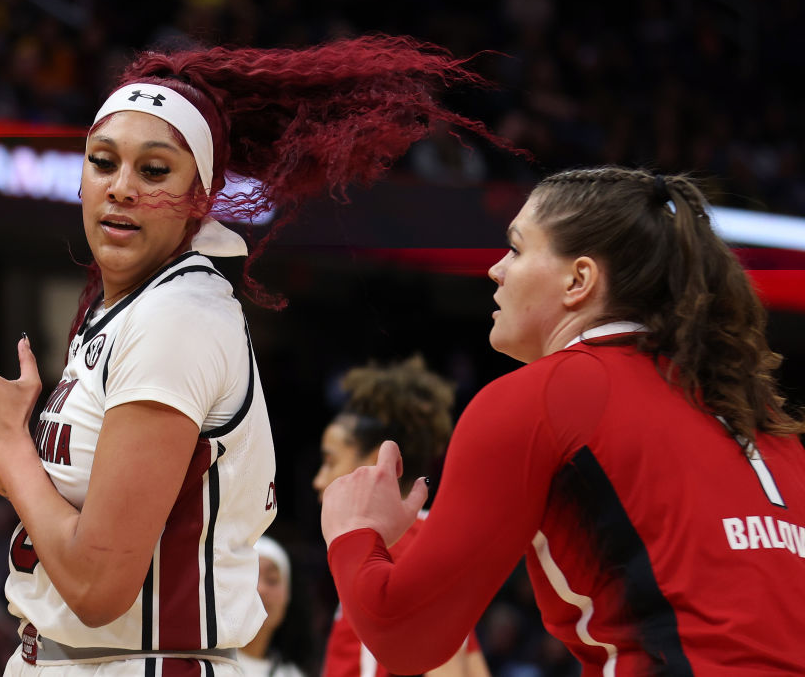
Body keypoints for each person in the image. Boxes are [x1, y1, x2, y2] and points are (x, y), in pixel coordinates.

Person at [0, 34, 512, 676]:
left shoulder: (175, 319)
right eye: (102, 162)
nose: (121, 187)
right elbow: (80, 509)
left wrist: (9, 445)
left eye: (154, 170)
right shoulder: (124, 309)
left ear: (198, 197)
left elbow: (99, 587)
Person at [321, 166, 805, 675]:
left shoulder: (544, 395)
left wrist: (355, 531)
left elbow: (405, 637)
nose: (495, 270)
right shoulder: (763, 417)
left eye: (515, 248)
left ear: (578, 280)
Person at [313, 356, 491, 677]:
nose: (319, 479)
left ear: (374, 463)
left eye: (330, 461)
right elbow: (472, 663)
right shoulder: (414, 537)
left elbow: (448, 667)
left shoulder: (400, 542)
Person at [236, 535, 306, 677]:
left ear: (287, 597)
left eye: (272, 580)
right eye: (251, 577)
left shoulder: (293, 674)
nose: (261, 589)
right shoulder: (203, 666)